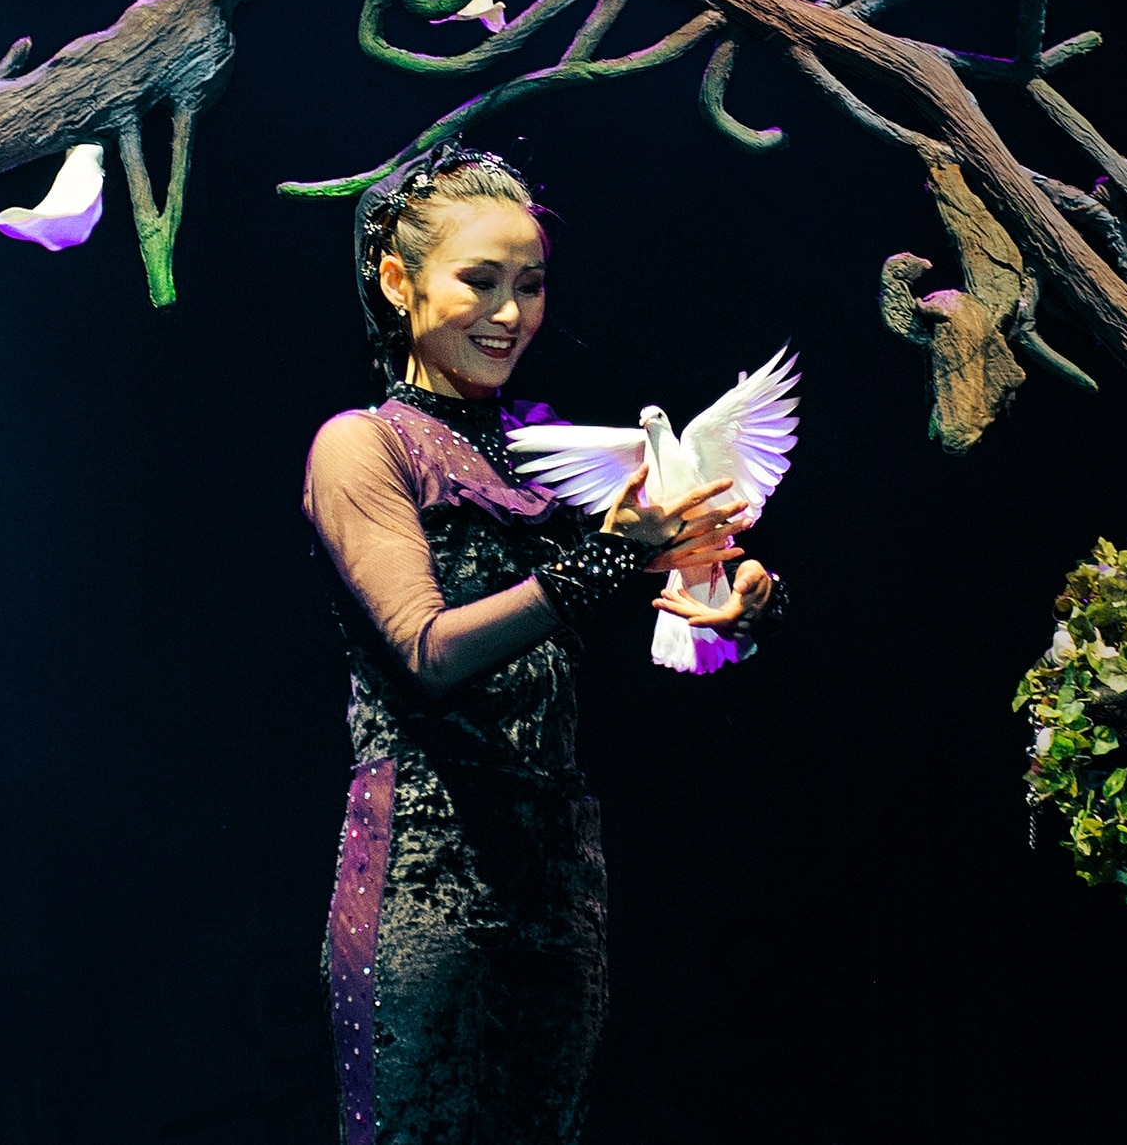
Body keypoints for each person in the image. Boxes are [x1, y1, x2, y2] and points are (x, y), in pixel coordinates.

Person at [303, 145, 785, 1145]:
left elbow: (679, 569)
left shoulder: (538, 447)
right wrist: (604, 561)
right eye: (480, 280)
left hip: (558, 880)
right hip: (423, 879)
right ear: (397, 281)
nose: (511, 312)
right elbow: (430, 650)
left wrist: (744, 598)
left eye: (529, 285)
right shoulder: (363, 445)